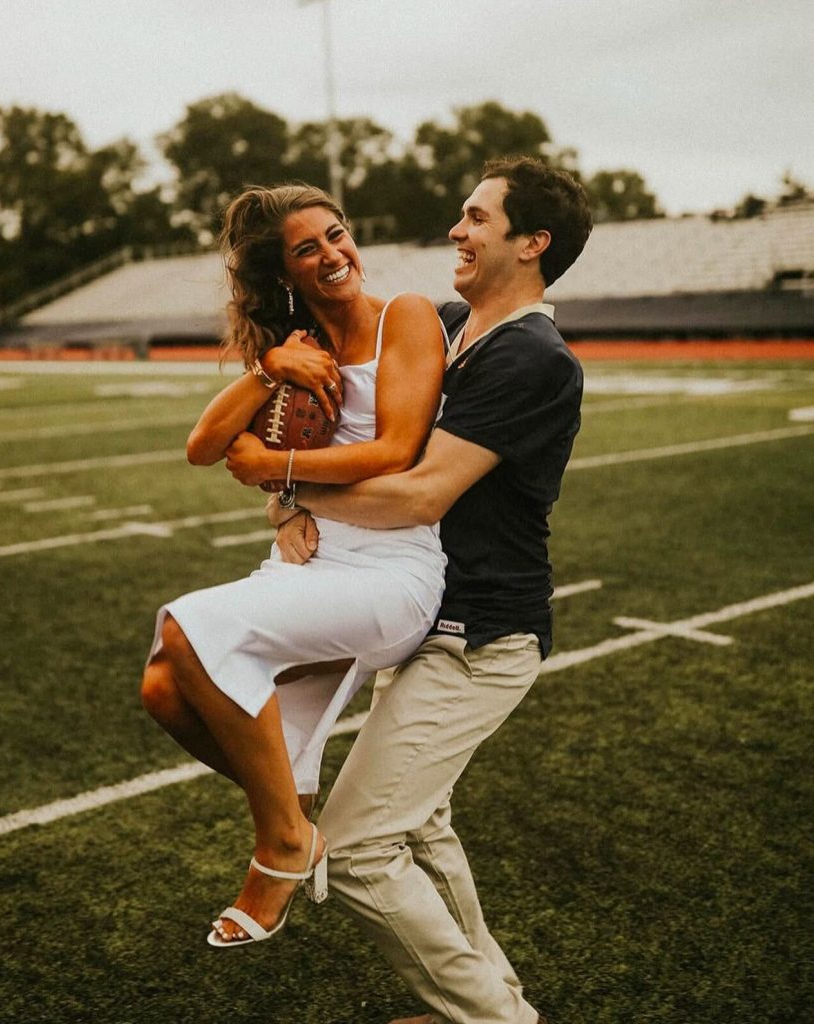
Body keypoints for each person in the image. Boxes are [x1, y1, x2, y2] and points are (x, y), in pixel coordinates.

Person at [270, 156, 592, 1024]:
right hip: (426, 621)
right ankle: (495, 1000)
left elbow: (419, 494)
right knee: (422, 827)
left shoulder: (534, 358)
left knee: (361, 849)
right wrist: (281, 353)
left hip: (479, 637)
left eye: (477, 219)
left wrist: (288, 481)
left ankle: (495, 1017)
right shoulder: (450, 324)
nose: (456, 229)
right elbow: (333, 332)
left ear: (532, 243)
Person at [140, 183, 447, 947]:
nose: (332, 255)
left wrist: (279, 476)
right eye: (307, 249)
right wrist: (268, 368)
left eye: (336, 235)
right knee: (162, 689)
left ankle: (282, 843)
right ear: (284, 271)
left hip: (392, 568)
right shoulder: (297, 339)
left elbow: (396, 452)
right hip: (311, 563)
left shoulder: (403, 315)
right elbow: (202, 448)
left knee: (187, 627)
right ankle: (295, 810)